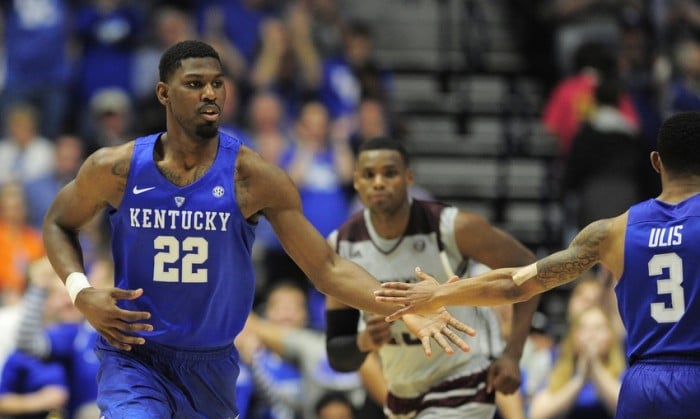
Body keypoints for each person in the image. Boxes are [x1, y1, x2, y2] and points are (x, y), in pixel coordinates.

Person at [41, 40, 472, 419]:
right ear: (164, 94)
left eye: (217, 83)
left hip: (211, 365)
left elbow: (327, 268)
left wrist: (406, 306)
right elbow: (59, 223)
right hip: (133, 355)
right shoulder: (114, 168)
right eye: (194, 84)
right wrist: (81, 292)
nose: (210, 93)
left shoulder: (254, 177)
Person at [375, 111, 700, 418]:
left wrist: (441, 295)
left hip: (643, 386)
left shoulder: (612, 232)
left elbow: (518, 283)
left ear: (656, 162)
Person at [325, 137, 539, 418]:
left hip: (464, 379)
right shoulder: (342, 244)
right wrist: (365, 342)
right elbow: (338, 355)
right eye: (369, 174)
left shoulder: (451, 227)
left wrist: (512, 354)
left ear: (408, 177)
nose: (378, 182)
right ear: (356, 182)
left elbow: (528, 270)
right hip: (400, 393)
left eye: (389, 173)